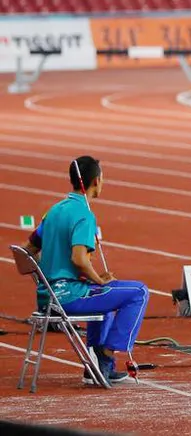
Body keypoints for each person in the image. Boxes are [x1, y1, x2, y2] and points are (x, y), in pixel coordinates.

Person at [23, 156, 149, 385]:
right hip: (68, 297)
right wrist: (98, 280)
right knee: (138, 292)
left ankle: (98, 368)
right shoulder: (84, 214)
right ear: (96, 181)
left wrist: (46, 275)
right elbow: (79, 259)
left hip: (47, 297)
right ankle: (105, 355)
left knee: (104, 297)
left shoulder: (53, 211)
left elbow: (27, 249)